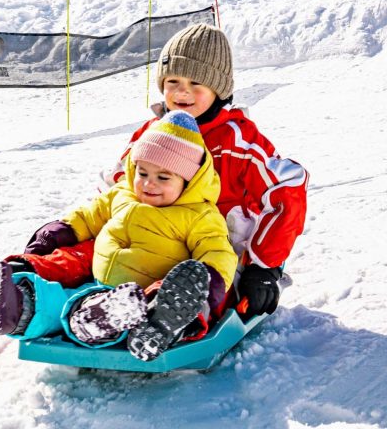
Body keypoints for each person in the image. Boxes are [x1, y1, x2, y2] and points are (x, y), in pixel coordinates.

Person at [0, 110, 238, 361]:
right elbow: (88, 216)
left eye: (163, 178)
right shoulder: (123, 193)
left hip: (143, 290)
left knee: (161, 288)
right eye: (142, 172)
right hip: (94, 281)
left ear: (189, 181)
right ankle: (5, 299)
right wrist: (54, 235)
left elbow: (217, 253)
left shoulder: (200, 215)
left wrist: (208, 280)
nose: (148, 184)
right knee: (63, 277)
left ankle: (153, 321)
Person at [96, 24, 309, 318]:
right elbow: (118, 183)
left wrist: (264, 266)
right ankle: (46, 298)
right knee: (93, 254)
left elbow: (287, 188)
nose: (183, 91)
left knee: (209, 281)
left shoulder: (238, 141)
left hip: (216, 249)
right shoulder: (152, 133)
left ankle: (169, 313)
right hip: (154, 238)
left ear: (218, 89)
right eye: (173, 80)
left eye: (196, 82)